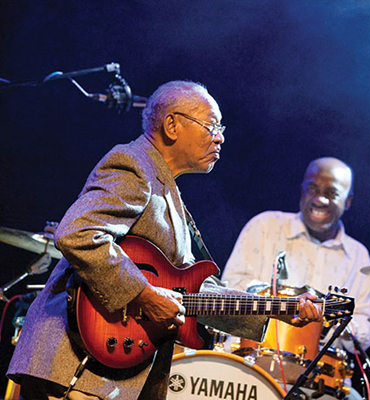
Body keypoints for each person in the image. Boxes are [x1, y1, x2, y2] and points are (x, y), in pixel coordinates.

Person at [7, 80, 322, 400]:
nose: (220, 136)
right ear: (171, 125)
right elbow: (78, 233)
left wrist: (274, 310)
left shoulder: (166, 188)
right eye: (212, 125)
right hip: (75, 366)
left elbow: (188, 292)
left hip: (104, 376)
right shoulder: (133, 165)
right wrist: (143, 294)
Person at [222, 157, 370, 354]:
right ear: (302, 190)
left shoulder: (359, 256)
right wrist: (283, 302)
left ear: (348, 201)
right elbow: (230, 288)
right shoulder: (264, 225)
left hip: (319, 373)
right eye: (313, 189)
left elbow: (367, 328)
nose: (319, 199)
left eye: (331, 193)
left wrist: (336, 322)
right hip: (248, 357)